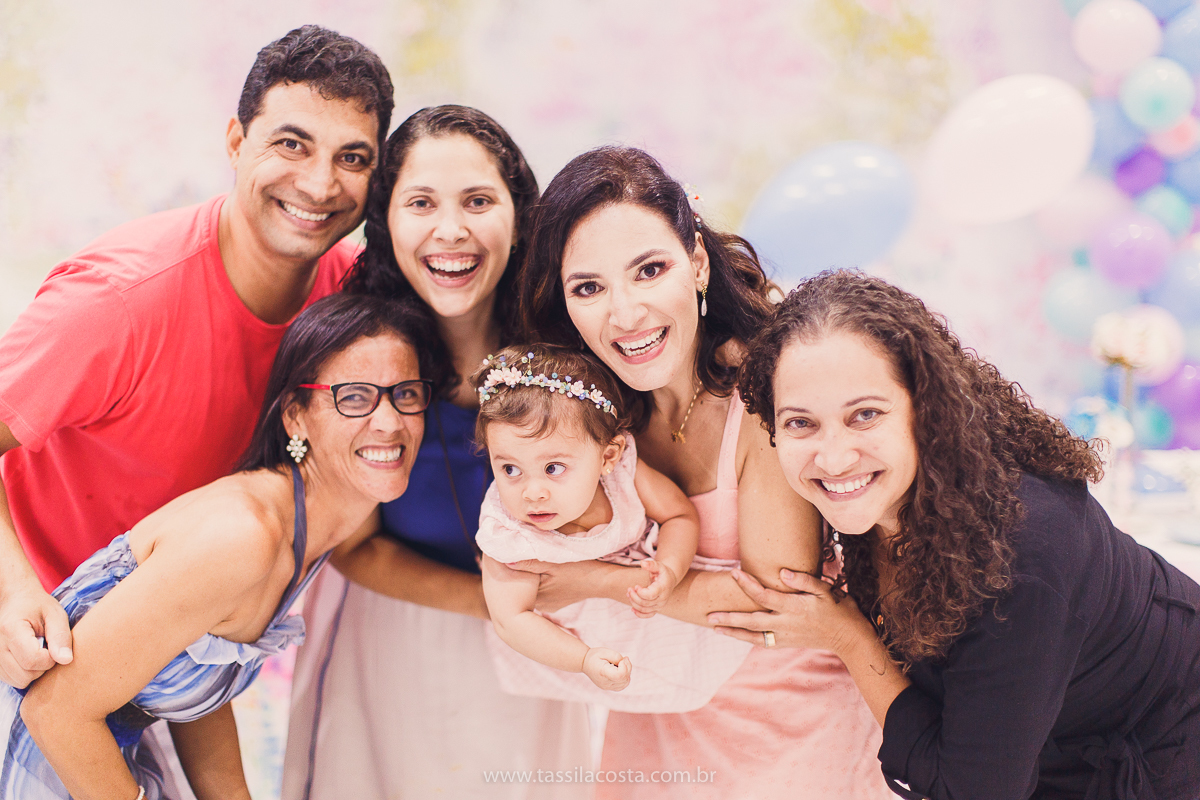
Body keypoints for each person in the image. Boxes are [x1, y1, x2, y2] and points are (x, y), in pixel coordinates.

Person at [0, 24, 392, 691]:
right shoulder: (117, 303)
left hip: (179, 667)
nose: (320, 184)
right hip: (47, 652)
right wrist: (11, 593)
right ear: (237, 143)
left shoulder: (358, 301)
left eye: (352, 158)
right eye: (292, 144)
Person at [717, 269, 1200, 799]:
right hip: (1051, 743)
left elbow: (968, 791)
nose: (832, 457)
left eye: (865, 415)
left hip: (1171, 743)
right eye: (800, 423)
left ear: (925, 408)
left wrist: (848, 638)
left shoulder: (1019, 556)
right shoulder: (884, 497)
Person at [516, 146, 890, 798]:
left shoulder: (765, 386)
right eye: (589, 287)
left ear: (694, 264)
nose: (625, 314)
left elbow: (774, 603)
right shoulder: (590, 409)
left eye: (649, 270)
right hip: (659, 724)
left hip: (794, 734)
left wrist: (588, 581)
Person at [0, 292, 435, 800]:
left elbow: (198, 680)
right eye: (355, 398)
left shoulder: (311, 528)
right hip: (38, 757)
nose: (389, 421)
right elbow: (54, 711)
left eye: (406, 393)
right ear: (295, 417)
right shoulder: (243, 537)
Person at [281, 106, 591, 800]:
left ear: (521, 215)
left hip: (548, 654)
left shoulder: (572, 351)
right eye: (421, 203)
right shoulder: (359, 359)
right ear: (387, 220)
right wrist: (496, 606)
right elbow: (355, 547)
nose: (450, 229)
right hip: (396, 645)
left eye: (477, 201)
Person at [473, 344, 752, 709]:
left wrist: (668, 571)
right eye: (510, 469)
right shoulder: (508, 531)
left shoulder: (622, 474)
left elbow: (678, 516)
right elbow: (512, 620)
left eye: (553, 468)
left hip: (666, 632)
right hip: (579, 650)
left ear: (608, 456)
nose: (532, 492)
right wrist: (584, 659)